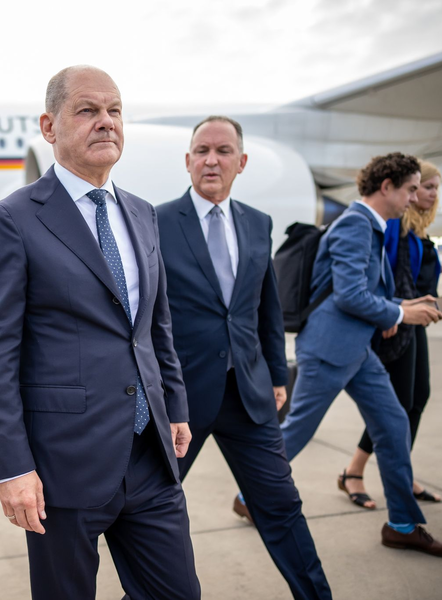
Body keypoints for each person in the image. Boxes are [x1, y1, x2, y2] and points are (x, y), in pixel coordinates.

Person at [0, 65, 200, 600]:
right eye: (88, 111)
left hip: (149, 454)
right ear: (50, 127)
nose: (106, 122)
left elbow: (155, 325)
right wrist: (12, 467)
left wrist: (176, 406)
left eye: (114, 111)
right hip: (61, 469)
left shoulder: (142, 214)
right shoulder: (12, 219)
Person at [157, 116, 331, 598]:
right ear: (188, 160)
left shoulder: (258, 222)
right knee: (152, 512)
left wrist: (278, 375)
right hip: (181, 402)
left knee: (281, 506)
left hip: (249, 397)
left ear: (242, 162)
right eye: (202, 150)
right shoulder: (155, 221)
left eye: (223, 150)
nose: (212, 159)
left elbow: (265, 307)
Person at [279, 152, 442, 557]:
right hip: (331, 348)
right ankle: (252, 494)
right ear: (386, 187)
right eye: (408, 189)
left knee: (393, 425)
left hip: (357, 350)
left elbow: (363, 289)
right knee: (296, 430)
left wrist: (403, 302)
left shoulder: (371, 225)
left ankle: (402, 524)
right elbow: (350, 294)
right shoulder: (355, 224)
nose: (412, 197)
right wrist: (402, 313)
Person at [341, 159, 442, 509]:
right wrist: (391, 313)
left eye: (431, 189)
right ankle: (355, 472)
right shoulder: (392, 227)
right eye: (423, 187)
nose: (429, 195)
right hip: (395, 323)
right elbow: (376, 280)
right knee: (395, 405)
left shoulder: (418, 231)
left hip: (414, 321)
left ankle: (402, 473)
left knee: (417, 399)